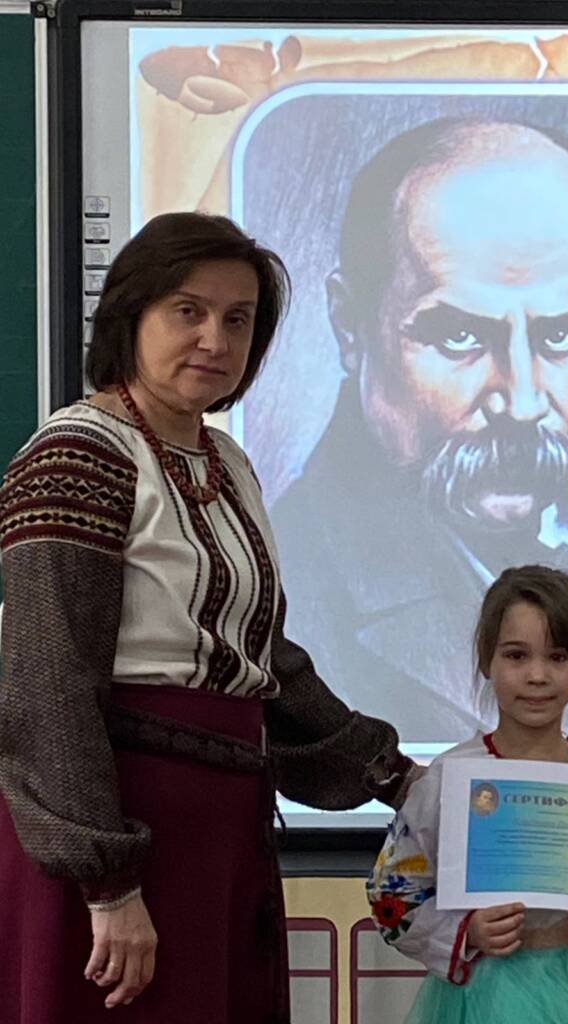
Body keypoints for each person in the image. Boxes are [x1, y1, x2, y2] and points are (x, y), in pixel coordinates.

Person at [0, 212, 420, 1023]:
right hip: (122, 825)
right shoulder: (77, 453)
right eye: (187, 311)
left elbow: (262, 661)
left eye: (238, 319)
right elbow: (50, 683)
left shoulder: (228, 463)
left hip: (220, 829)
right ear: (132, 315)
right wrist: (108, 883)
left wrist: (392, 776)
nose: (214, 340)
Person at [271, 117, 568, 746]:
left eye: (562, 337)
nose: (522, 403)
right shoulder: (294, 591)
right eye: (460, 336)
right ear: (350, 326)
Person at [367, 564, 568, 1023]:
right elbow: (392, 894)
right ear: (486, 661)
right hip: (481, 999)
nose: (537, 675)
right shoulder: (449, 780)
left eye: (558, 657)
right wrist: (467, 932)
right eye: (516, 656)